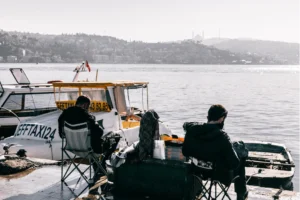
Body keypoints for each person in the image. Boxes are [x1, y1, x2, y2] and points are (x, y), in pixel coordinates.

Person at [182, 104, 248, 200]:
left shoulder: (192, 131)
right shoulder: (222, 137)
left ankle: (198, 191)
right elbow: (234, 164)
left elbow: (185, 152)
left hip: (197, 171)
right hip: (218, 174)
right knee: (241, 160)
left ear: (208, 117)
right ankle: (241, 195)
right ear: (221, 119)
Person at [58, 95, 104, 195]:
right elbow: (100, 132)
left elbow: (62, 134)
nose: (88, 109)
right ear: (84, 105)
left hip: (71, 148)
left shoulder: (64, 114)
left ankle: (98, 172)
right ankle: (99, 174)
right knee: (108, 144)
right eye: (88, 107)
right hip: (88, 150)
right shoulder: (86, 116)